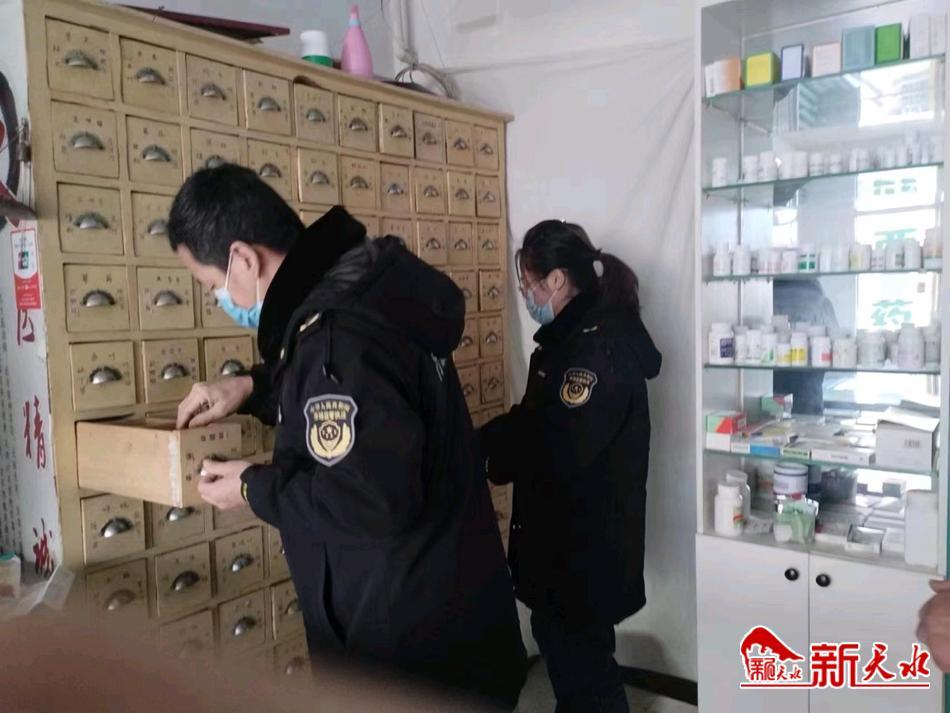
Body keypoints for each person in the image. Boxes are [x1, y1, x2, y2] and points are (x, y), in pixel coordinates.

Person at [166, 165, 527, 708]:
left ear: (242, 259)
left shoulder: (336, 337)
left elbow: (369, 502)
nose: (219, 298)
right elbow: (361, 401)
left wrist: (251, 487)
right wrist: (253, 385)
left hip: (414, 659)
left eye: (211, 285)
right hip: (454, 615)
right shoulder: (365, 293)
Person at [479, 220, 662, 713]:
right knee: (580, 666)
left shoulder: (594, 352)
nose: (525, 295)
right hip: (573, 553)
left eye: (528, 284)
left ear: (557, 280)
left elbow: (557, 448)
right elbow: (534, 418)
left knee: (584, 675)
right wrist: (479, 443)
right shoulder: (570, 340)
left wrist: (494, 459)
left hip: (581, 555)